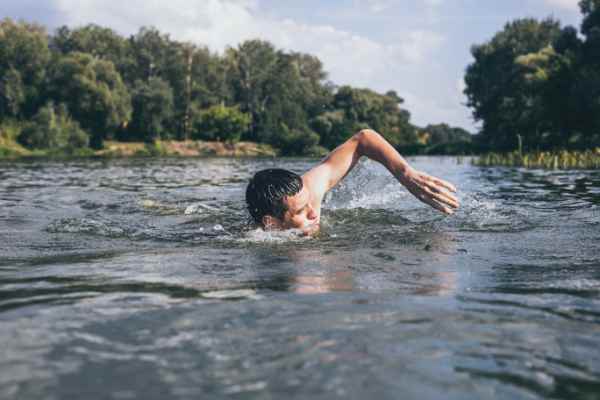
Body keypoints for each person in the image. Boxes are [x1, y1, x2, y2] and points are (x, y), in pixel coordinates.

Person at [245, 129, 459, 235]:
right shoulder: (254, 239)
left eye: (310, 202)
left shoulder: (309, 189)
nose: (314, 213)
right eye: (301, 211)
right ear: (271, 223)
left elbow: (363, 138)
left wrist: (406, 174)